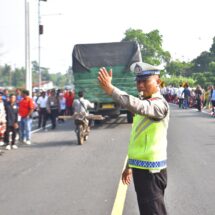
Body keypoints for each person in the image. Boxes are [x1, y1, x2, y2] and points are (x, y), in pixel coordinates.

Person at [98, 62, 169, 215]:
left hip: (152, 171)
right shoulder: (147, 102)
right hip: (141, 169)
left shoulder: (159, 105)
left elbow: (137, 106)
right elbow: (138, 139)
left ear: (157, 82)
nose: (141, 85)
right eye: (138, 81)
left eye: (145, 81)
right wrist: (130, 165)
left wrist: (111, 90)